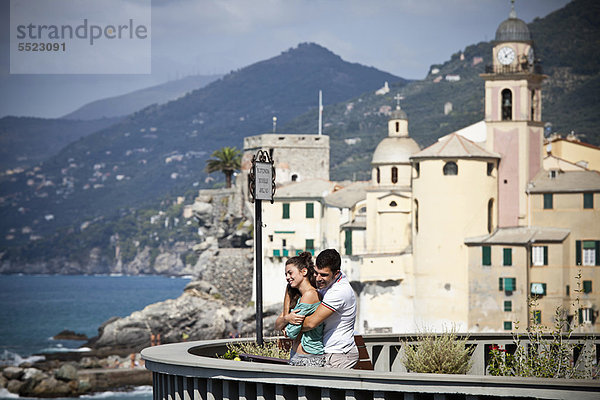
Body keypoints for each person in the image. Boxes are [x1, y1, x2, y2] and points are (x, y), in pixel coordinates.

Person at [287, 248, 359, 369]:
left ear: (336, 274)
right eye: (316, 273)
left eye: (324, 275)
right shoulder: (329, 282)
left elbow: (311, 323)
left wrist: (290, 325)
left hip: (339, 354)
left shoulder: (339, 291)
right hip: (329, 352)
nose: (318, 278)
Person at [274, 252, 325, 367]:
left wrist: (285, 323)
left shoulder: (310, 295)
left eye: (290, 273)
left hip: (309, 358)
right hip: (298, 356)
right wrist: (287, 318)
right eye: (286, 274)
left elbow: (290, 332)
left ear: (304, 272)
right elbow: (277, 326)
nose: (287, 277)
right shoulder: (300, 298)